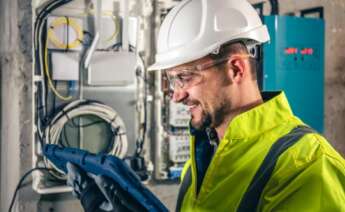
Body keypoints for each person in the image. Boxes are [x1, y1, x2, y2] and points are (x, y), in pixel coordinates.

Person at [67, 0, 345, 211]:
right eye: (172, 81)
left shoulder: (306, 166)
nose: (176, 96)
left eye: (184, 78)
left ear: (235, 69)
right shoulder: (202, 160)